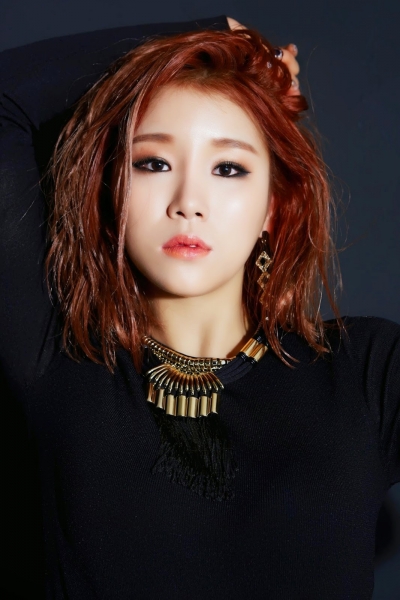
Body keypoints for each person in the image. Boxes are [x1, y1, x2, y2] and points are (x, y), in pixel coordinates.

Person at [0, 13, 399, 600]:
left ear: (272, 209)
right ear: (111, 190)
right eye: (153, 163)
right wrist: (220, 31)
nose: (189, 202)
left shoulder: (368, 374)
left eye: (228, 168)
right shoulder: (58, 362)